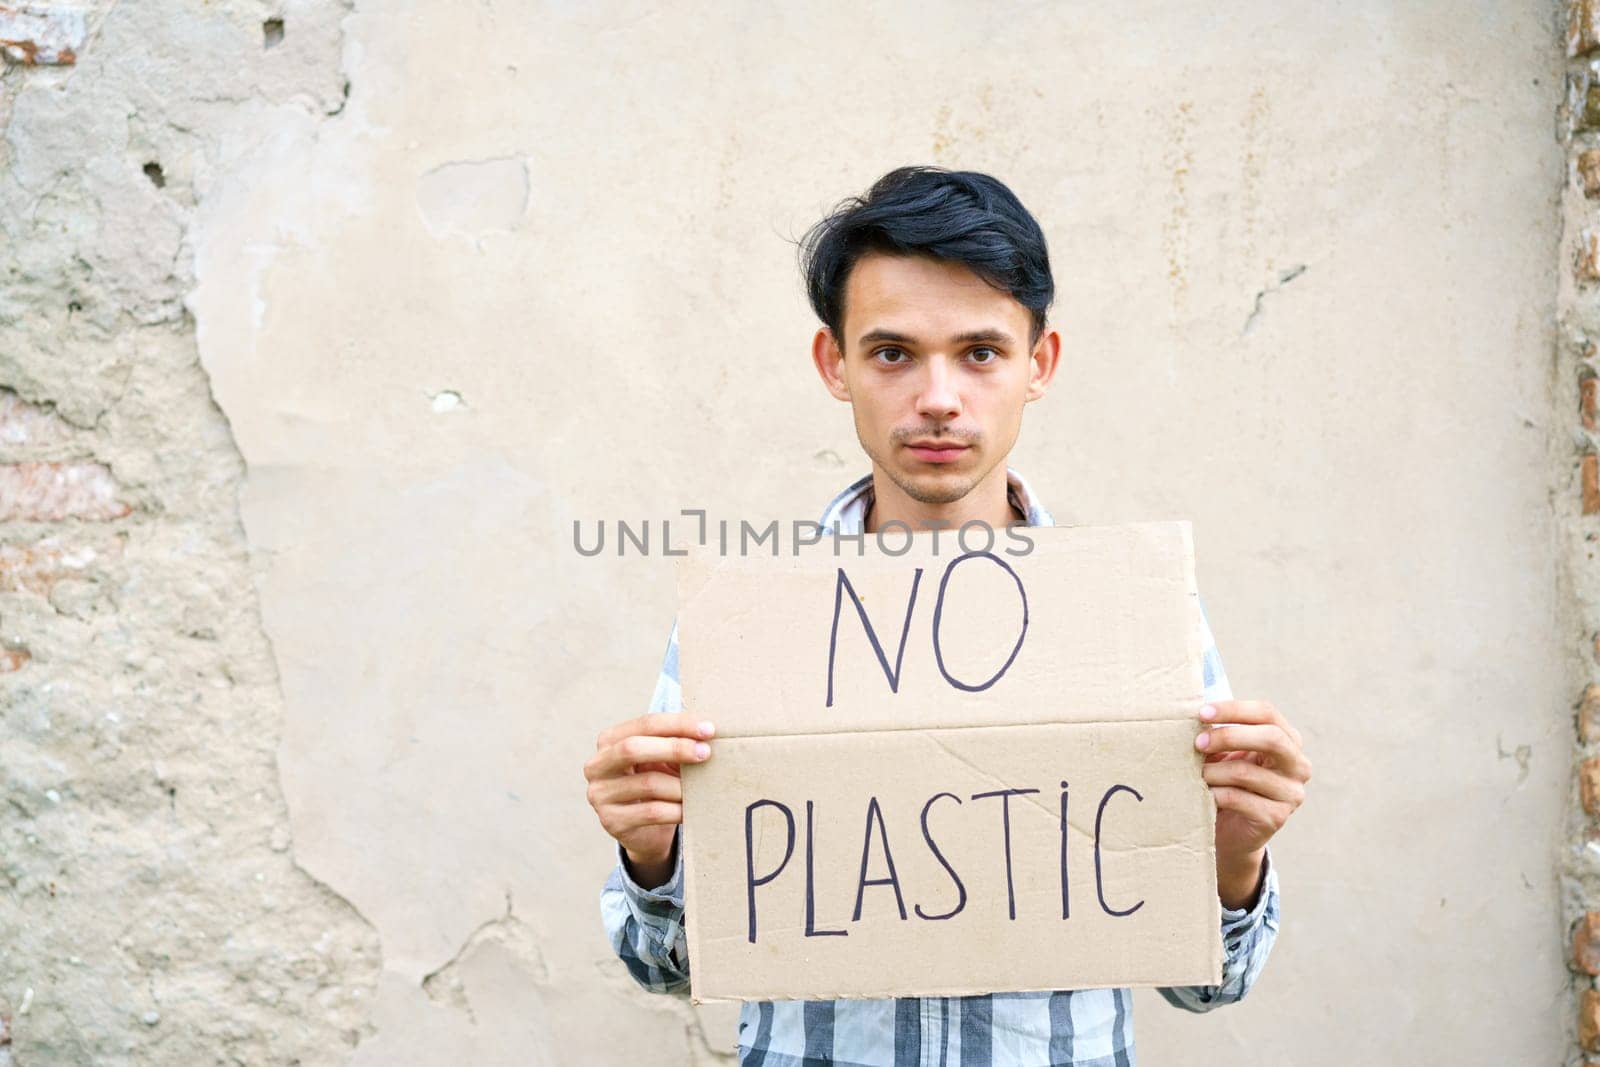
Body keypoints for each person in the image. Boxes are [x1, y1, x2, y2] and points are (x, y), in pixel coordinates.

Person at [584, 166, 1311, 1065]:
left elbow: (1208, 985)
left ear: (1037, 365)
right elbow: (664, 968)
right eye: (892, 353)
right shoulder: (747, 623)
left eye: (980, 352)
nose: (938, 397)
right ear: (835, 365)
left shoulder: (1131, 617)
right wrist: (651, 856)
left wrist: (1232, 857)